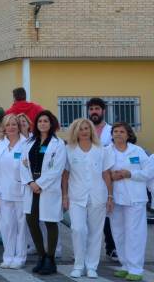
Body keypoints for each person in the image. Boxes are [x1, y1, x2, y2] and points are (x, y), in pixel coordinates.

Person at [61, 118, 113, 279]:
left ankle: (91, 266)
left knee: (96, 232)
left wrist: (110, 196)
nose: (84, 131)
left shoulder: (102, 149)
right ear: (75, 131)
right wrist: (64, 195)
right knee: (78, 229)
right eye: (81, 129)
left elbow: (106, 174)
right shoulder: (69, 149)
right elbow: (65, 175)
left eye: (87, 128)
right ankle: (78, 264)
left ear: (91, 130)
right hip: (76, 196)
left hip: (98, 195)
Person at [21, 110, 66, 275]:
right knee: (31, 220)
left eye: (46, 121)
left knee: (50, 222)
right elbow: (22, 164)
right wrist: (31, 182)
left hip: (48, 187)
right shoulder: (28, 143)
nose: (42, 124)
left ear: (51, 123)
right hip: (31, 186)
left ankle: (50, 259)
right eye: (40, 121)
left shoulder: (58, 144)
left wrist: (40, 184)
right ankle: (41, 256)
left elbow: (57, 168)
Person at [108, 122, 153, 281]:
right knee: (118, 233)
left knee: (135, 234)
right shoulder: (107, 151)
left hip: (135, 198)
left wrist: (130, 174)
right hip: (115, 199)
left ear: (128, 135)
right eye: (115, 131)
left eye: (122, 131)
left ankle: (136, 268)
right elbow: (101, 172)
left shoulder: (138, 151)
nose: (118, 134)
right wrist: (111, 177)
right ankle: (125, 265)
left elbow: (148, 172)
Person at [0, 114, 28, 270]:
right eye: (8, 125)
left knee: (21, 226)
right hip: (3, 193)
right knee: (6, 226)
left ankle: (20, 257)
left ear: (19, 127)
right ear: (4, 128)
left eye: (14, 124)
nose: (11, 127)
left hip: (22, 193)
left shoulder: (26, 144)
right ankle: (8, 256)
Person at [85, 97, 117, 261]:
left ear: (103, 111)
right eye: (91, 109)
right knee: (91, 217)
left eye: (97, 109)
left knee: (109, 216)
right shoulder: (84, 130)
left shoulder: (112, 131)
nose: (94, 112)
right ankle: (88, 251)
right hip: (87, 180)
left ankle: (111, 247)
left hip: (107, 178)